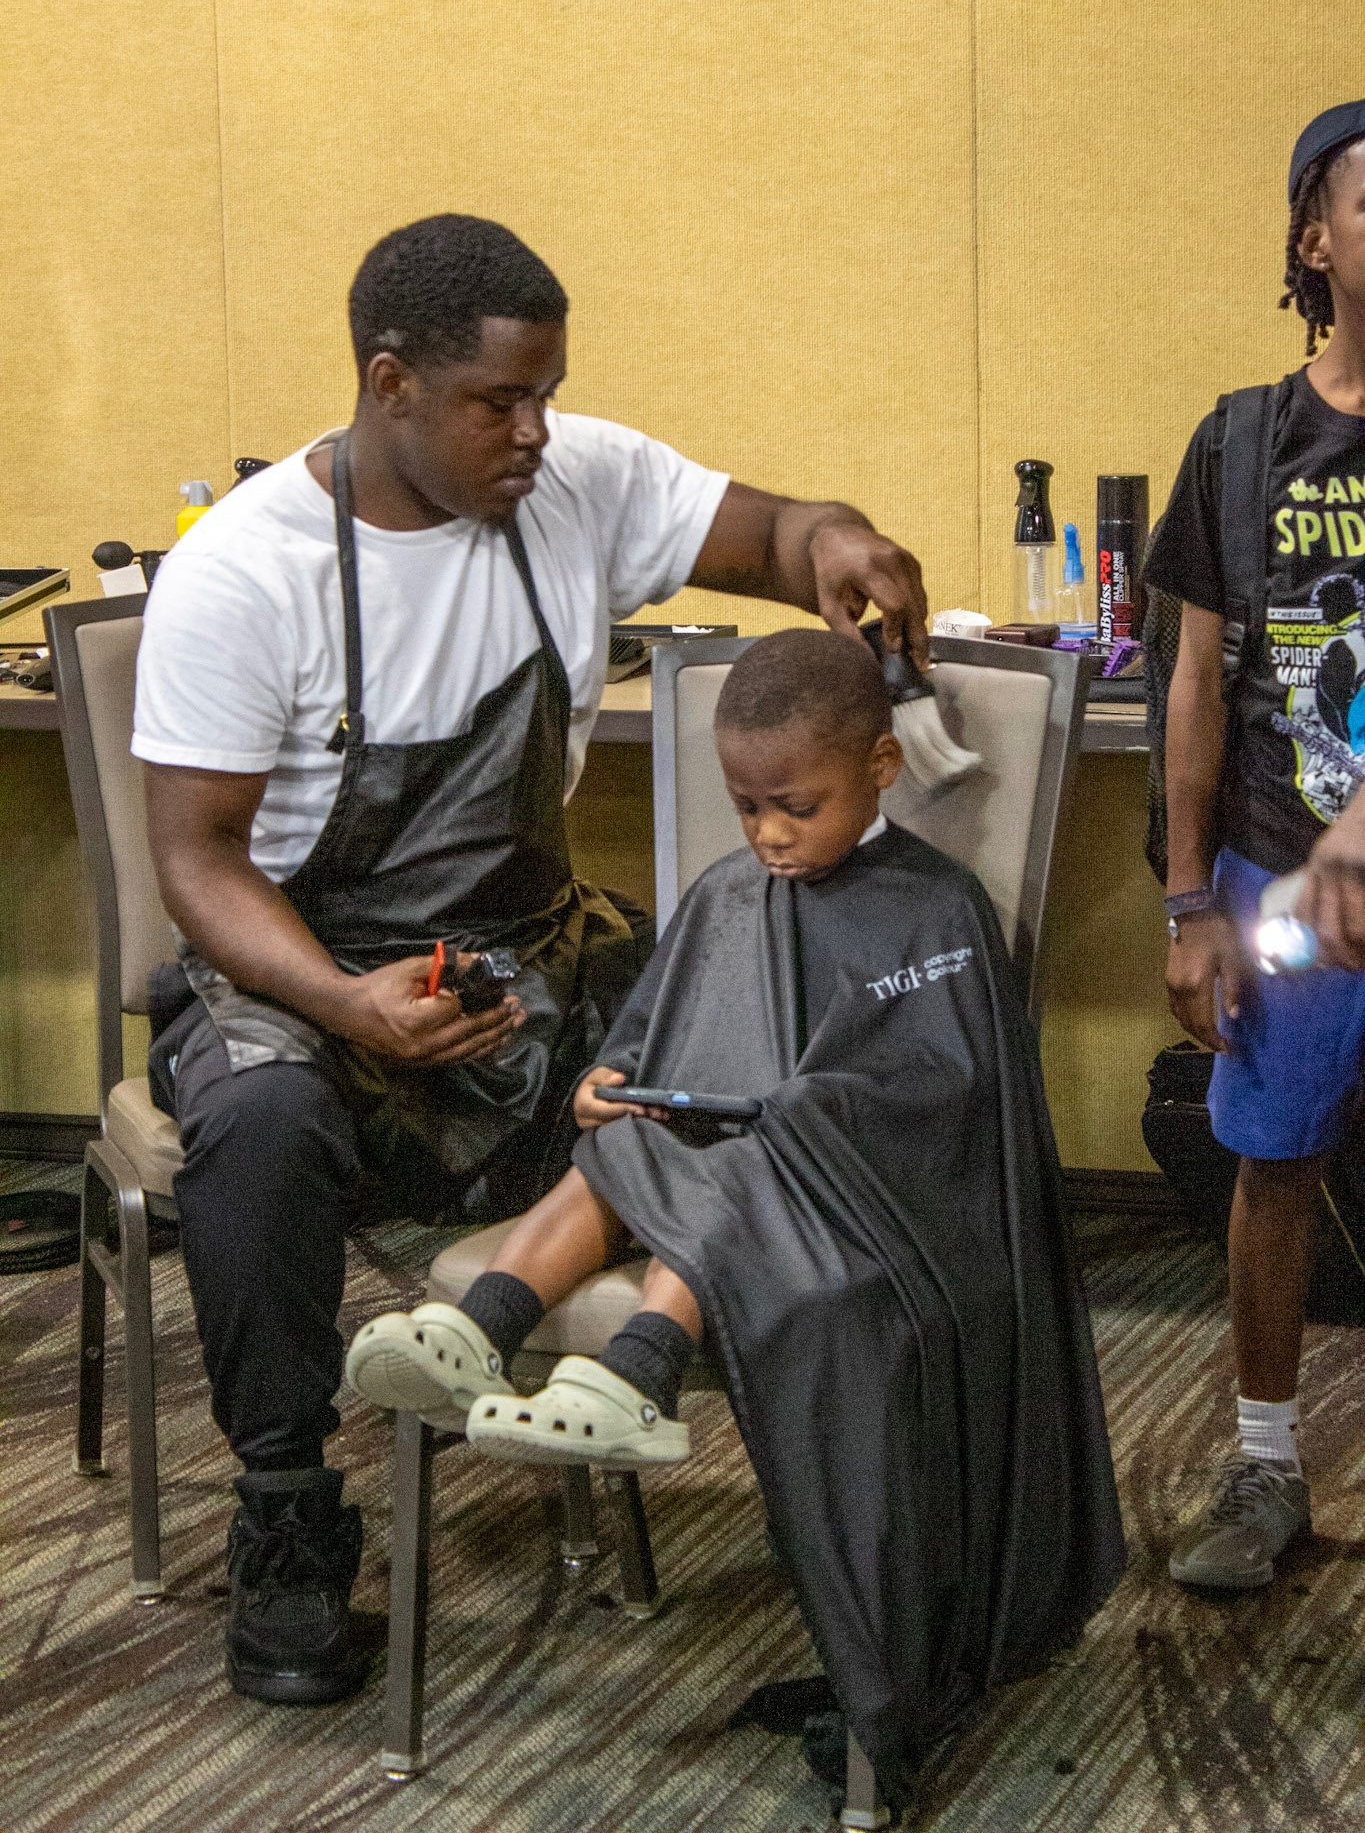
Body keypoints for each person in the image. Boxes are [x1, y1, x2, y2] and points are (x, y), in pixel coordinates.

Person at [133, 214, 930, 1705]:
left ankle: (807, 1466)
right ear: (389, 387)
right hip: (306, 980)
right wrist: (339, 998)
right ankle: (289, 1512)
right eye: (498, 403)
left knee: (769, 1016)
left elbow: (774, 531)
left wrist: (839, 540)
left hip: (524, 962)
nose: (534, 432)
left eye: (545, 394)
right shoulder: (243, 575)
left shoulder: (577, 487)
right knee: (254, 1125)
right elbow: (198, 865)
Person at [348, 628, 1124, 1799]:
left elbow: (954, 1100)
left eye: (793, 805)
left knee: (758, 1149)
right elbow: (657, 1036)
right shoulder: (727, 894)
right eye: (745, 804)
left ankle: (638, 1366)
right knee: (625, 1143)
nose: (765, 833)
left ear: (878, 766)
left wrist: (793, 1113)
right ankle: (480, 1329)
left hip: (874, 1213)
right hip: (699, 1169)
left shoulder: (937, 909)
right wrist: (611, 1081)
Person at [1147, 100, 1365, 1589]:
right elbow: (1192, 686)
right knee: (1272, 1170)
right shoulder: (1239, 443)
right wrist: (1183, 902)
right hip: (1276, 879)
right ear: (1315, 239)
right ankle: (1263, 1465)